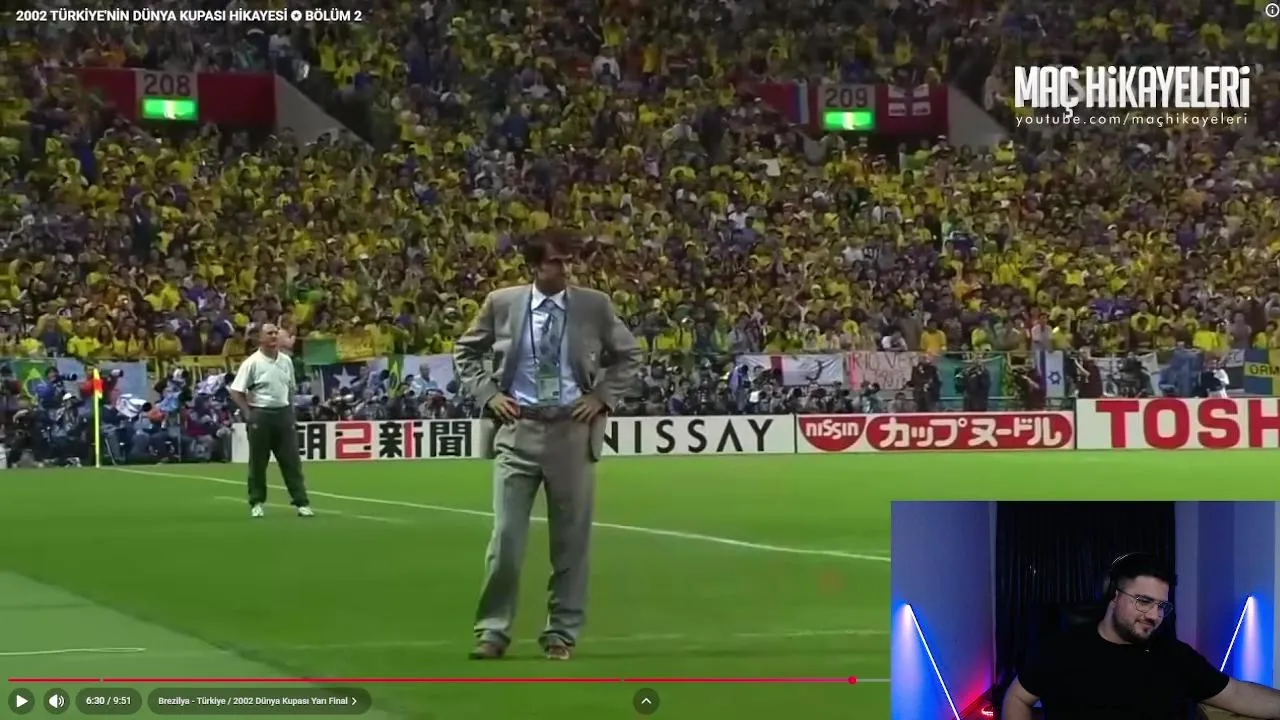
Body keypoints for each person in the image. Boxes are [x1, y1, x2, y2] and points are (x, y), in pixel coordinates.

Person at [453, 229, 641, 661]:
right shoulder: (502, 303)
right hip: (517, 430)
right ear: (535, 266)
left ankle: (561, 633)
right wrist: (488, 395)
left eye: (570, 260)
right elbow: (466, 351)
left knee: (571, 544)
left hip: (571, 432)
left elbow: (629, 355)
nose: (567, 268)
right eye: (557, 261)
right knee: (505, 540)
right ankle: (493, 630)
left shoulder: (594, 305)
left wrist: (601, 397)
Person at [1003, 553, 1280, 719]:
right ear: (1113, 596)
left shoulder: (1176, 657)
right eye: (1144, 601)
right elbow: (1017, 698)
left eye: (1162, 606)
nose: (1154, 615)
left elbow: (1236, 693)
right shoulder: (1061, 650)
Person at [228, 323, 313, 519]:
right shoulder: (252, 362)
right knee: (258, 462)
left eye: (276, 333)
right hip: (261, 413)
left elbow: (290, 389)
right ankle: (256, 502)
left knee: (291, 461)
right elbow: (236, 391)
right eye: (269, 333)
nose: (274, 336)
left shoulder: (286, 361)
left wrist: (291, 414)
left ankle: (301, 502)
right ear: (260, 338)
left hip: (283, 413)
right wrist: (248, 414)